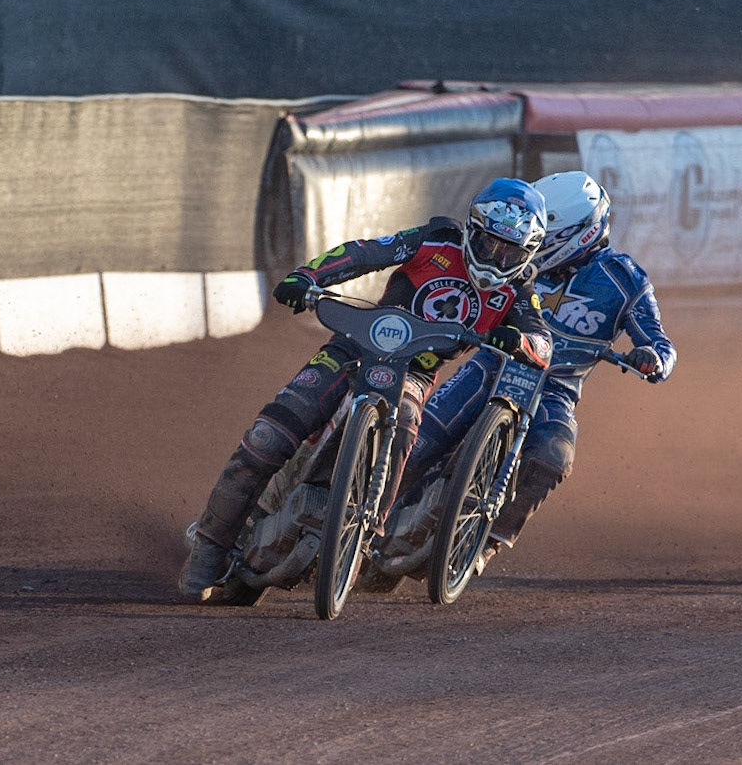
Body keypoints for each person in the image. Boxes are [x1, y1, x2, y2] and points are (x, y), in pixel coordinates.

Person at [179, 178, 556, 600]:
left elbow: (543, 342)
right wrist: (308, 277)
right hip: (352, 349)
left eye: (511, 251)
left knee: (406, 426)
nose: (498, 257)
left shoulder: (519, 290)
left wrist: (521, 342)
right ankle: (209, 549)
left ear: (528, 252)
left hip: (413, 373)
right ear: (472, 229)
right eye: (489, 244)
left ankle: (359, 541)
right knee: (267, 436)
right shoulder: (435, 239)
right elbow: (365, 252)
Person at [394, 171, 676, 573]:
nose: (532, 243)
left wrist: (652, 357)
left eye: (547, 235)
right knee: (413, 445)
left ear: (581, 233)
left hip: (555, 389)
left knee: (553, 456)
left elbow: (662, 346)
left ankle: (489, 544)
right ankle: (349, 526)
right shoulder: (511, 256)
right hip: (491, 364)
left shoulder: (625, 280)